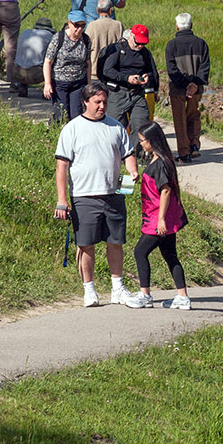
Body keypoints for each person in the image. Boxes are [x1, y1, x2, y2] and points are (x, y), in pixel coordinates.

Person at [53, 81, 138, 307]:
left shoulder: (116, 127)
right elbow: (61, 167)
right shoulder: (72, 128)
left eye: (105, 102)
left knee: (115, 242)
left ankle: (117, 288)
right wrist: (62, 200)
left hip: (113, 194)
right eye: (97, 102)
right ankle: (89, 290)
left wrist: (133, 170)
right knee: (86, 245)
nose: (102, 106)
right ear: (85, 102)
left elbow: (128, 154)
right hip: (84, 196)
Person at [126, 121, 191, 310]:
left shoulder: (160, 163)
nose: (141, 144)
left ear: (152, 140)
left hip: (158, 218)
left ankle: (145, 295)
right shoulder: (161, 160)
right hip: (167, 218)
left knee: (140, 252)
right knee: (170, 255)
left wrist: (160, 219)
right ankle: (182, 297)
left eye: (142, 140)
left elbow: (165, 191)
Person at [99, 23, 158, 146]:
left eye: (143, 43)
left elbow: (152, 71)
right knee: (114, 126)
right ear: (131, 36)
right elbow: (107, 71)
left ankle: (135, 155)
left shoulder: (145, 53)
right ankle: (114, 155)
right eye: (138, 43)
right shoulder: (117, 49)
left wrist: (147, 76)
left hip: (138, 94)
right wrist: (127, 78)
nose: (140, 46)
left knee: (141, 125)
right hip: (118, 93)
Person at [165, 13, 210, 162]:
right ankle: (195, 144)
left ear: (177, 26)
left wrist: (185, 84)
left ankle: (184, 153)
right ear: (191, 25)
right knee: (194, 114)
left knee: (180, 119)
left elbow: (172, 70)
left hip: (178, 88)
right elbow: (205, 67)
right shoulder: (201, 43)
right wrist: (195, 84)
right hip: (196, 89)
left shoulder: (171, 45)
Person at [43, 10, 91, 122]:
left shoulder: (86, 39)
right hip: (60, 83)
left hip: (78, 82)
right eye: (77, 25)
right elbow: (48, 62)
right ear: (69, 23)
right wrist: (47, 83)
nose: (79, 29)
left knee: (77, 115)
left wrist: (88, 84)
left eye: (83, 25)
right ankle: (55, 135)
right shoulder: (58, 38)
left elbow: (88, 63)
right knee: (60, 114)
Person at [11, 15, 55, 97]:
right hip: (35, 74)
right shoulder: (49, 35)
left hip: (17, 72)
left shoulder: (25, 32)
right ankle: (47, 92)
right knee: (52, 63)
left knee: (24, 60)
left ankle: (21, 86)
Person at [85, 0, 123, 77]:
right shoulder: (118, 25)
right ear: (111, 10)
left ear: (97, 10)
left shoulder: (92, 26)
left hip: (95, 71)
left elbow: (85, 47)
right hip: (113, 71)